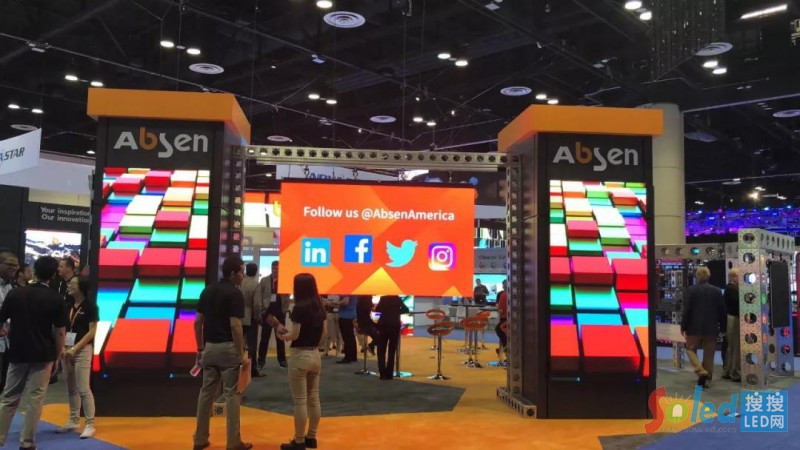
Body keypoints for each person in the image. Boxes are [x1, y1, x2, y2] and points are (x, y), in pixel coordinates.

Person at [0, 256, 66, 449]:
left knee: (9, 397)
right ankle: (27, 441)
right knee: (36, 398)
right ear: (53, 275)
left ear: (34, 271)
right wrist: (58, 355)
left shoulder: (15, 293)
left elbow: (1, 318)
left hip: (18, 351)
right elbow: (60, 332)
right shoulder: (56, 298)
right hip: (43, 354)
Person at [193, 256, 252, 450]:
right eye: (242, 271)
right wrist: (241, 353)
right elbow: (236, 326)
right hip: (228, 349)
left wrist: (200, 348)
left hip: (209, 348)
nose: (243, 276)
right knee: (232, 395)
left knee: (206, 393)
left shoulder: (207, 291)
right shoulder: (235, 294)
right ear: (233, 273)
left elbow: (197, 322)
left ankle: (199, 439)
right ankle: (233, 441)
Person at [275, 273, 327, 450]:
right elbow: (324, 333)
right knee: (314, 398)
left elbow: (295, 335)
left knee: (300, 401)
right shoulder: (320, 306)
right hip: (315, 355)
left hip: (300, 356)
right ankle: (311, 437)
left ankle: (299, 441)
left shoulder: (299, 308)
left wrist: (283, 336)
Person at [56, 276, 98, 439]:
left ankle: (90, 424)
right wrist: (63, 347)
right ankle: (73, 420)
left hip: (82, 350)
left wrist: (75, 348)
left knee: (83, 388)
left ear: (81, 287)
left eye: (72, 284)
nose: (69, 286)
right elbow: (63, 328)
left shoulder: (90, 306)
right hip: (67, 351)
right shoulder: (67, 305)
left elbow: (92, 331)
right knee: (71, 388)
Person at [681, 266, 727, 389]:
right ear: (708, 276)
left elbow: (687, 310)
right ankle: (707, 380)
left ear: (697, 276)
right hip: (711, 328)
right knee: (709, 354)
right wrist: (723, 328)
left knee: (690, 349)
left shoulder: (691, 290)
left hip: (693, 327)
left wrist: (683, 325)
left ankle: (700, 371)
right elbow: (722, 311)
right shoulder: (717, 291)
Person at [257, 261, 289, 369]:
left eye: (277, 269)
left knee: (280, 338)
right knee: (264, 338)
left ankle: (282, 360)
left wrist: (284, 310)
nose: (275, 270)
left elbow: (287, 296)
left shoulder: (284, 281)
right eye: (273, 268)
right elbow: (260, 295)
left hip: (279, 313)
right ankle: (261, 361)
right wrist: (262, 311)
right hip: (268, 313)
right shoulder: (264, 280)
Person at [375, 295, 410, 380]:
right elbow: (406, 309)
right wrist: (397, 312)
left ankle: (382, 373)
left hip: (383, 326)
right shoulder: (397, 298)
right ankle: (389, 374)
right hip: (394, 326)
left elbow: (377, 309)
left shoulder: (383, 298)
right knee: (392, 351)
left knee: (381, 350)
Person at [0, 251, 20, 393]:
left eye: (16, 265)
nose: (13, 267)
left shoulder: (12, 286)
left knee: (4, 383)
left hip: (8, 341)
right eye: (9, 264)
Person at [240, 263, 264, 378]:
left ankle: (238, 367)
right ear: (255, 272)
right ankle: (252, 370)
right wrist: (258, 317)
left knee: (239, 343)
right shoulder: (255, 285)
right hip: (250, 318)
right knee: (252, 345)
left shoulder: (240, 283)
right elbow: (257, 304)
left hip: (238, 316)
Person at [721, 269, 741, 382]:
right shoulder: (733, 289)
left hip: (731, 318)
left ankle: (727, 371)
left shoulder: (729, 288)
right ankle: (735, 372)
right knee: (735, 347)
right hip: (734, 319)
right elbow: (739, 302)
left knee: (731, 347)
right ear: (734, 277)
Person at [335, 296, 358, 364]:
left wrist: (335, 303)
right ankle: (353, 356)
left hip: (345, 316)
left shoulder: (346, 292)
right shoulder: (354, 293)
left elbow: (345, 302)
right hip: (352, 315)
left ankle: (348, 357)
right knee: (351, 337)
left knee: (347, 338)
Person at [495, 280, 508, 358]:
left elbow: (500, 310)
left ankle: (506, 348)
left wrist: (500, 317)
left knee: (498, 329)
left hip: (505, 320)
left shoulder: (503, 294)